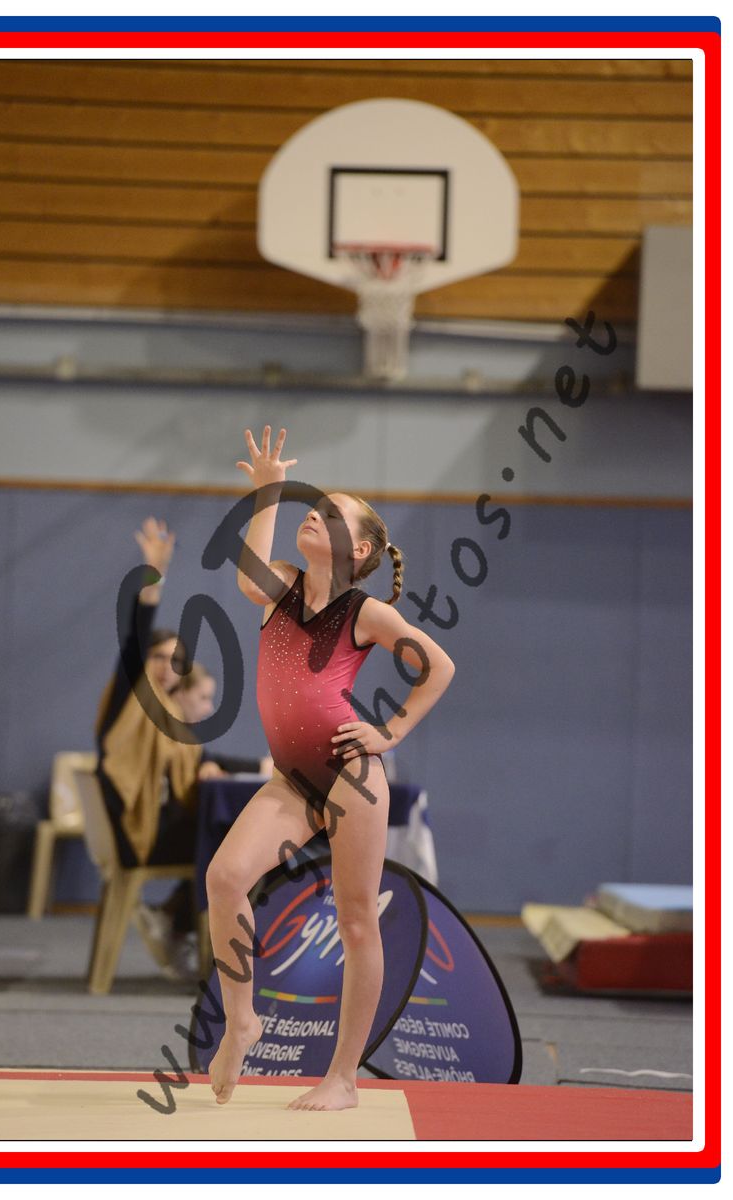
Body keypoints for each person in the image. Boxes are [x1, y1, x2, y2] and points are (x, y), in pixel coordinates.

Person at [205, 426, 456, 1111]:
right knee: (225, 878)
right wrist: (267, 493)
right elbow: (245, 574)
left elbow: (438, 667)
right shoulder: (282, 586)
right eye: (313, 508)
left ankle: (343, 1077)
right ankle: (242, 1022)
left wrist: (390, 730)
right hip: (292, 779)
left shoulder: (364, 612)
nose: (314, 515)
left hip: (351, 779)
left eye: (332, 515)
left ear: (360, 550)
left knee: (355, 921)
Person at [94, 518, 271, 979]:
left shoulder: (167, 720)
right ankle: (199, 934)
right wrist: (155, 573)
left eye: (175, 660)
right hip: (136, 833)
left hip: (150, 827)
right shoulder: (129, 701)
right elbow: (135, 636)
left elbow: (200, 759)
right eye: (158, 658)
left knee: (241, 834)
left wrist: (259, 764)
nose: (166, 667)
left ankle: (180, 919)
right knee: (242, 836)